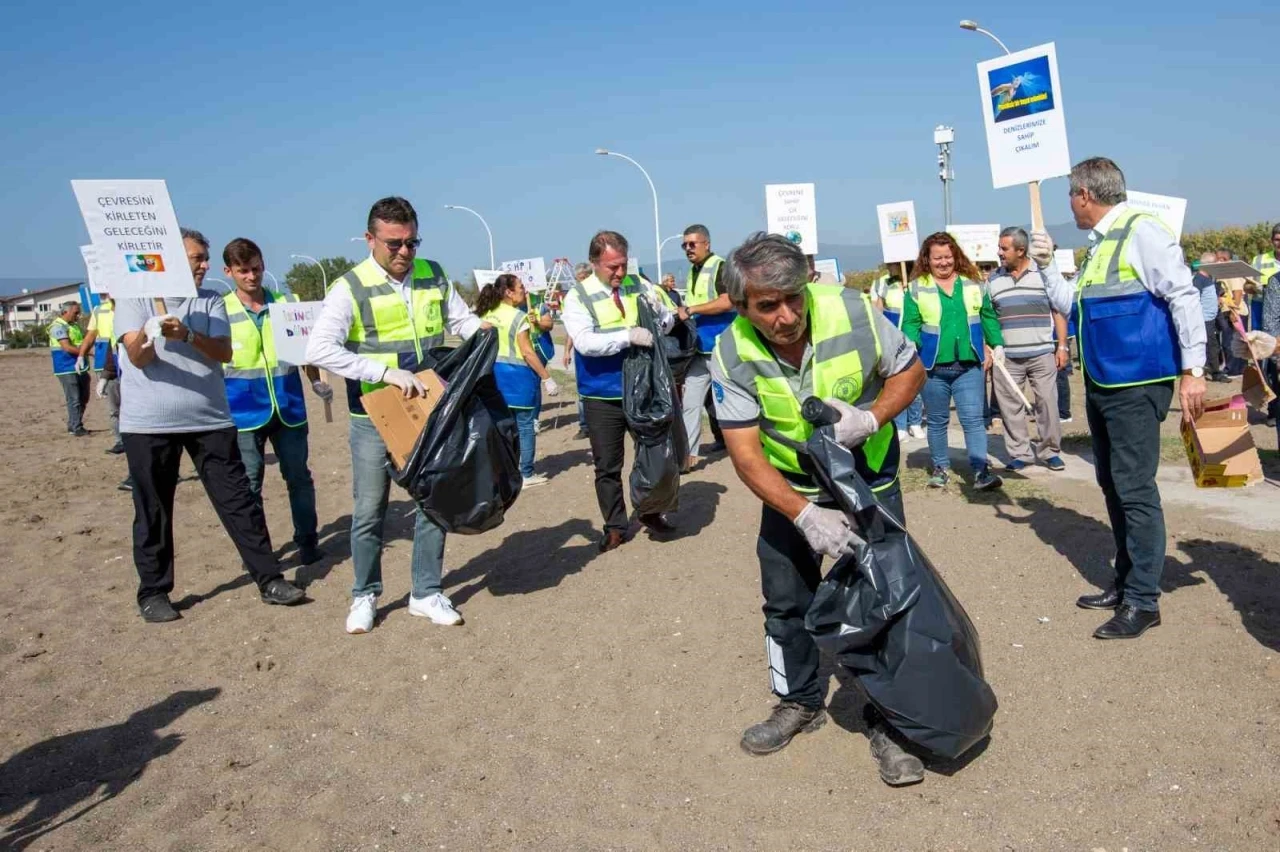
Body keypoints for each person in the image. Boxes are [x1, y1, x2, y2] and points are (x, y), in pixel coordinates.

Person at [709, 233, 928, 786]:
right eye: (767, 306)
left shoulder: (853, 310)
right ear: (740, 306)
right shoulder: (731, 352)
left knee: (889, 599)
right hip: (791, 488)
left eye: (793, 298)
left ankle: (890, 719)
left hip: (868, 478)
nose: (786, 316)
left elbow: (910, 371)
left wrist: (871, 418)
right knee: (786, 601)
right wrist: (803, 514)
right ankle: (798, 702)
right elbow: (745, 452)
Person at [1032, 156, 1206, 640]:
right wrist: (1046, 269)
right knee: (1113, 485)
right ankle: (1127, 580)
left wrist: (1194, 369)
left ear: (1085, 195)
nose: (1069, 204)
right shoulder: (1101, 245)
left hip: (1136, 382)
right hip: (1104, 382)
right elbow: (1073, 305)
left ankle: (1143, 601)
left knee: (1134, 489)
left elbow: (1183, 296)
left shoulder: (1142, 230)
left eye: (1070, 194)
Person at [306, 196, 483, 635]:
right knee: (370, 510)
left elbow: (459, 322)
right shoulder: (349, 287)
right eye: (393, 244)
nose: (404, 252)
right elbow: (320, 350)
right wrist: (384, 373)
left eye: (411, 242)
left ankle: (425, 592)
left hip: (426, 411)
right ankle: (365, 595)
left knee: (432, 501)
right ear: (370, 239)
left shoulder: (432, 275)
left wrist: (483, 331)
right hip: (373, 416)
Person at [115, 228, 306, 623]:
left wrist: (186, 334)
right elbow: (136, 357)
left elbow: (222, 351)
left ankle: (269, 579)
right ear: (169, 259)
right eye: (196, 258)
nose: (203, 265)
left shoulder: (211, 301)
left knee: (239, 502)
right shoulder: (133, 298)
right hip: (149, 424)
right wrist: (151, 333)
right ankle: (154, 592)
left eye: (204, 258)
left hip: (209, 419)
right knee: (153, 509)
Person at [561, 230, 676, 552]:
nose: (620, 273)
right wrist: (628, 336)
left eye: (623, 264)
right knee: (607, 466)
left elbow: (665, 326)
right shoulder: (577, 297)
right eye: (612, 267)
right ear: (595, 263)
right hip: (603, 395)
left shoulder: (639, 284)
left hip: (643, 390)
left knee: (653, 457)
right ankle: (614, 526)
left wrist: (661, 312)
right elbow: (584, 342)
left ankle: (651, 511)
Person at [220, 238, 328, 568]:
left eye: (256, 269)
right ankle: (257, 550)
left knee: (298, 478)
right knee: (249, 485)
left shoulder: (286, 304)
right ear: (229, 272)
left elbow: (304, 350)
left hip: (289, 407)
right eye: (243, 271)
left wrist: (315, 380)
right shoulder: (221, 310)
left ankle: (307, 541)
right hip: (242, 412)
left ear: (263, 265)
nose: (251, 277)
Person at [901, 232, 1005, 492]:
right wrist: (911, 341)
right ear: (928, 259)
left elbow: (987, 315)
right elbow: (911, 322)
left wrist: (997, 343)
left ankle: (981, 471)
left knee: (972, 420)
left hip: (969, 366)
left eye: (948, 257)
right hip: (933, 367)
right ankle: (940, 468)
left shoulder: (973, 284)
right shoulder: (917, 287)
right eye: (937, 258)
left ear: (955, 256)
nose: (943, 262)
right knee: (937, 421)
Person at [986, 227, 1067, 472]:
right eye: (999, 247)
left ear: (1021, 250)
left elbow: (1059, 310)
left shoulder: (1043, 274)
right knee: (1010, 407)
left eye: (1004, 248)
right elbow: (988, 316)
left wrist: (1061, 345)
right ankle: (1020, 453)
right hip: (1007, 358)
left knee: (1048, 404)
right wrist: (991, 349)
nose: (999, 252)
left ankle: (1050, 451)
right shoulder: (992, 280)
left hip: (1042, 353)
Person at [475, 272, 560, 487]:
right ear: (509, 292)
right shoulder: (517, 316)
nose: (524, 290)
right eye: (521, 287)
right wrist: (546, 377)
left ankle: (504, 472)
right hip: (518, 379)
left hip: (494, 379)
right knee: (525, 427)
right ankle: (526, 473)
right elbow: (528, 352)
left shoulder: (488, 314)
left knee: (503, 428)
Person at [676, 224, 730, 469]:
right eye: (684, 245)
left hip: (721, 348)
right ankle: (687, 456)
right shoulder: (692, 271)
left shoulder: (721, 266)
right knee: (690, 403)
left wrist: (691, 310)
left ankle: (753, 446)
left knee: (730, 403)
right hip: (699, 350)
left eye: (692, 244)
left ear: (706, 243)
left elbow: (727, 302)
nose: (688, 249)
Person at [871, 264, 925, 440]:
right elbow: (876, 311)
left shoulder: (919, 283)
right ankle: (900, 425)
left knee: (914, 383)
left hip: (915, 340)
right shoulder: (882, 283)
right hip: (893, 342)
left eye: (893, 264)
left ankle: (915, 423)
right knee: (895, 383)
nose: (889, 266)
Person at [78, 294, 124, 452]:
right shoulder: (99, 311)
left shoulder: (131, 306)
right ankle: (120, 441)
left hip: (128, 362)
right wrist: (81, 355)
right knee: (114, 407)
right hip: (109, 363)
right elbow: (91, 335)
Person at [49, 301, 90, 436]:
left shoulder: (74, 326)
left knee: (83, 397)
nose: (78, 315)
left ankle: (74, 422)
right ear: (66, 312)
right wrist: (87, 352)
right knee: (74, 398)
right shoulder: (57, 327)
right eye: (75, 313)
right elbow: (66, 347)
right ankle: (76, 426)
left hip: (80, 366)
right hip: (66, 366)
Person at [564, 262, 593, 440]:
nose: (580, 282)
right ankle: (584, 425)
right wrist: (567, 351)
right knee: (582, 388)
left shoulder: (599, 294)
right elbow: (571, 329)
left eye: (583, 278)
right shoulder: (573, 297)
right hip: (581, 352)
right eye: (578, 279)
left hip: (600, 348)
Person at [1193, 252, 1230, 382]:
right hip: (1204, 320)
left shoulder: (1209, 279)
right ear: (1208, 265)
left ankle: (1213, 368)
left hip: (1213, 317)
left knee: (1215, 344)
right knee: (1212, 346)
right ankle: (1215, 373)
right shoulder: (1198, 280)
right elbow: (1195, 300)